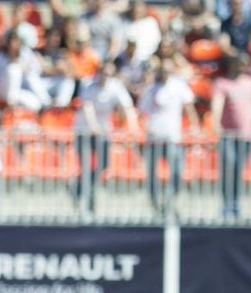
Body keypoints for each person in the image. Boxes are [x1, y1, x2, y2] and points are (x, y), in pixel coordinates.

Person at [209, 52, 251, 218]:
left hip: (245, 136)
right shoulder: (222, 83)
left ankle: (235, 203)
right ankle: (226, 203)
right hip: (228, 135)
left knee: (238, 170)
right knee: (228, 168)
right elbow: (217, 104)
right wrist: (216, 124)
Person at [72, 58, 138, 216]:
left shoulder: (116, 86)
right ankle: (88, 203)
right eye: (103, 73)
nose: (105, 76)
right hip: (84, 130)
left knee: (103, 164)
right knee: (86, 166)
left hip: (103, 131)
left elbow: (127, 107)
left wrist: (133, 127)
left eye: (109, 74)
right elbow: (87, 107)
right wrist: (93, 126)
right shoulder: (88, 84)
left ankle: (80, 187)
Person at [138, 57, 200, 217]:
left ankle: (170, 203)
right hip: (154, 140)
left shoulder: (179, 86)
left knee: (178, 173)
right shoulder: (150, 89)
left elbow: (189, 107)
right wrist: (147, 128)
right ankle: (155, 205)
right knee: (152, 175)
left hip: (173, 138)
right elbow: (142, 113)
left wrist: (194, 126)